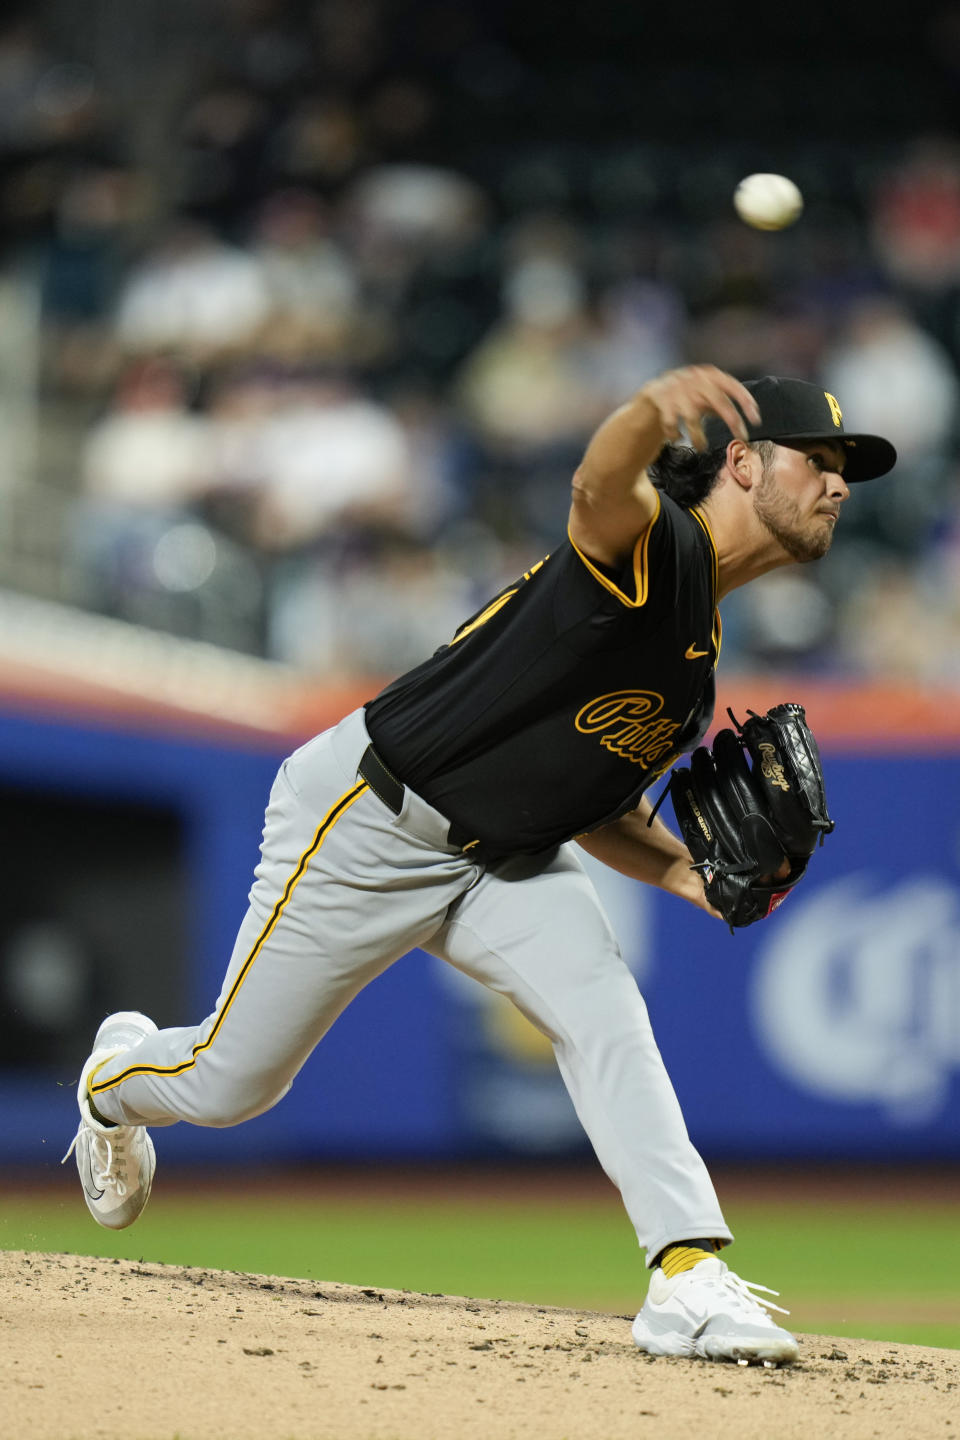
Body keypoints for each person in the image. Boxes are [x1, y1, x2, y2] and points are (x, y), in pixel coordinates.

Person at [64, 365, 896, 1366]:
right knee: (232, 1082)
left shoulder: (692, 664)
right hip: (370, 821)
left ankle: (685, 1275)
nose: (840, 483)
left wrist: (691, 875)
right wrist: (642, 411)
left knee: (605, 1013)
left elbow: (594, 810)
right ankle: (114, 1083)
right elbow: (597, 489)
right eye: (822, 459)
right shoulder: (657, 549)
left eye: (850, 467)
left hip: (505, 856)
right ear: (743, 461)